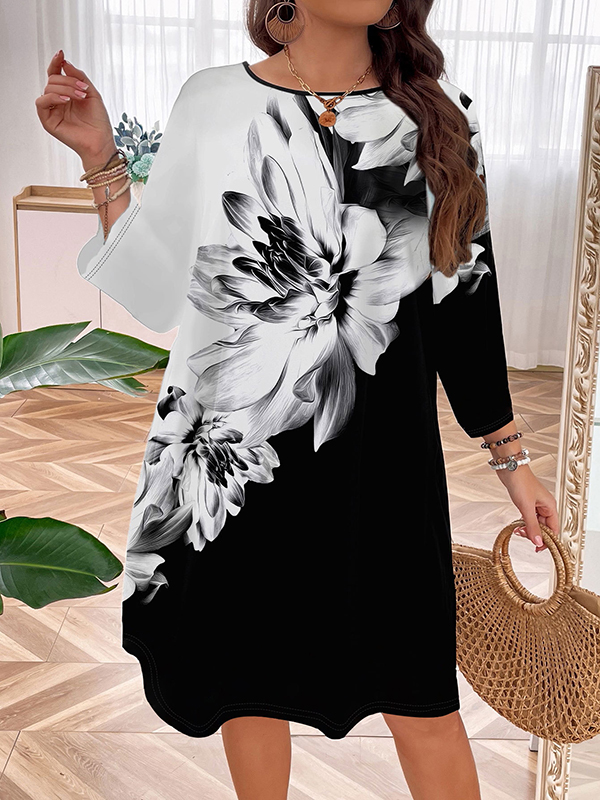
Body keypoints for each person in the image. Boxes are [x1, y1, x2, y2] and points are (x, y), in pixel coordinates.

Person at [36, 1, 559, 798]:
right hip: (239, 461)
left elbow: (464, 299)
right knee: (247, 681)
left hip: (381, 468)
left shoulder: (436, 115)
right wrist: (102, 159)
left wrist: (512, 459)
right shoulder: (213, 101)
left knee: (421, 694)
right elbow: (161, 285)